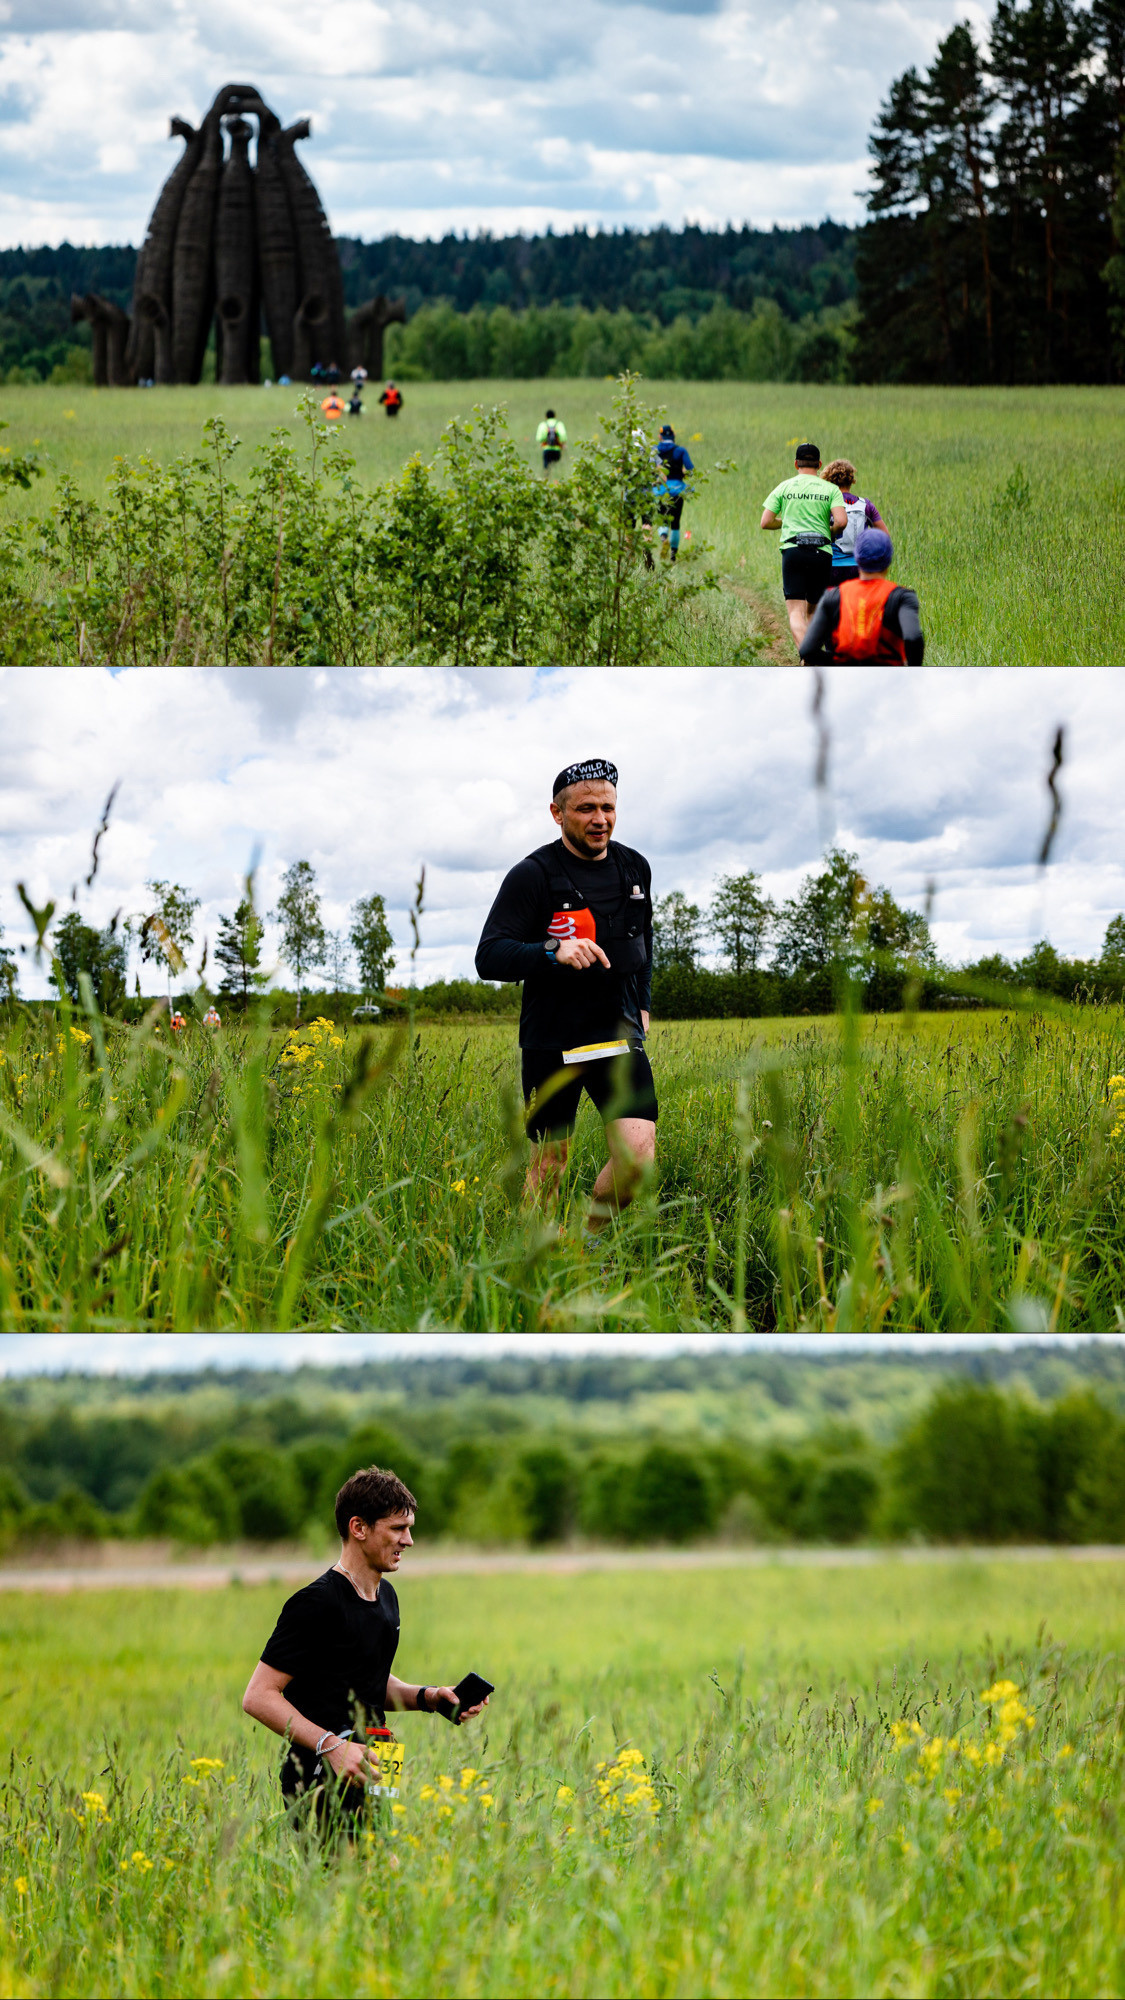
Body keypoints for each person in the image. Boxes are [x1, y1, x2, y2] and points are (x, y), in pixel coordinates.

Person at [242, 1463, 489, 1835]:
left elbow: (366, 1681)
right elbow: (258, 1696)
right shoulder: (316, 1603)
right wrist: (331, 1747)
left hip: (375, 1763)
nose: (408, 1541)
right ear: (358, 1528)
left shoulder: (386, 1597)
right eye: (397, 1529)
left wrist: (432, 1698)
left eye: (409, 1530)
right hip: (319, 1774)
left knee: (378, 1885)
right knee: (351, 1883)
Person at [475, 758, 656, 1240]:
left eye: (608, 808)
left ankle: (585, 1243)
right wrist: (553, 950)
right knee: (548, 1170)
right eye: (586, 809)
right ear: (557, 813)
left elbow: (644, 942)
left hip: (617, 1033)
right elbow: (489, 956)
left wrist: (643, 1001)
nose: (600, 819)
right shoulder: (532, 874)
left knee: (636, 1162)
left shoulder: (634, 866)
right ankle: (534, 1268)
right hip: (551, 1039)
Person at [760, 443, 847, 648]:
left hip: (793, 551)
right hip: (822, 553)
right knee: (814, 611)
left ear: (795, 464)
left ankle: (807, 656)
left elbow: (765, 522)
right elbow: (841, 521)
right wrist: (830, 532)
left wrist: (786, 522)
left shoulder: (785, 486)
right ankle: (812, 653)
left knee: (795, 611)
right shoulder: (831, 489)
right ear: (819, 464)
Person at [799, 528, 924, 663]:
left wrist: (838, 662)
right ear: (888, 561)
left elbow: (807, 650)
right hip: (888, 679)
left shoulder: (833, 596)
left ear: (857, 559)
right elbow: (913, 638)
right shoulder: (902, 597)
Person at [821, 458, 888, 587]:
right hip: (858, 568)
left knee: (830, 605)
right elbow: (884, 536)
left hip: (831, 566)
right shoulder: (866, 505)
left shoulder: (827, 504)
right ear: (851, 480)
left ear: (829, 480)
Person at [653, 424, 693, 561]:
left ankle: (663, 537)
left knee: (662, 517)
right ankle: (673, 555)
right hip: (678, 490)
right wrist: (682, 473)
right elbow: (690, 470)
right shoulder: (681, 451)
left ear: (660, 436)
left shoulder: (655, 450)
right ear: (673, 436)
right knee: (675, 522)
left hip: (662, 490)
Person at [535, 408, 567, 473]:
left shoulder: (543, 425)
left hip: (546, 449)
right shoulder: (559, 424)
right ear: (555, 416)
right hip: (557, 449)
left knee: (546, 469)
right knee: (556, 468)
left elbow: (539, 438)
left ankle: (547, 480)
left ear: (546, 417)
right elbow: (563, 436)